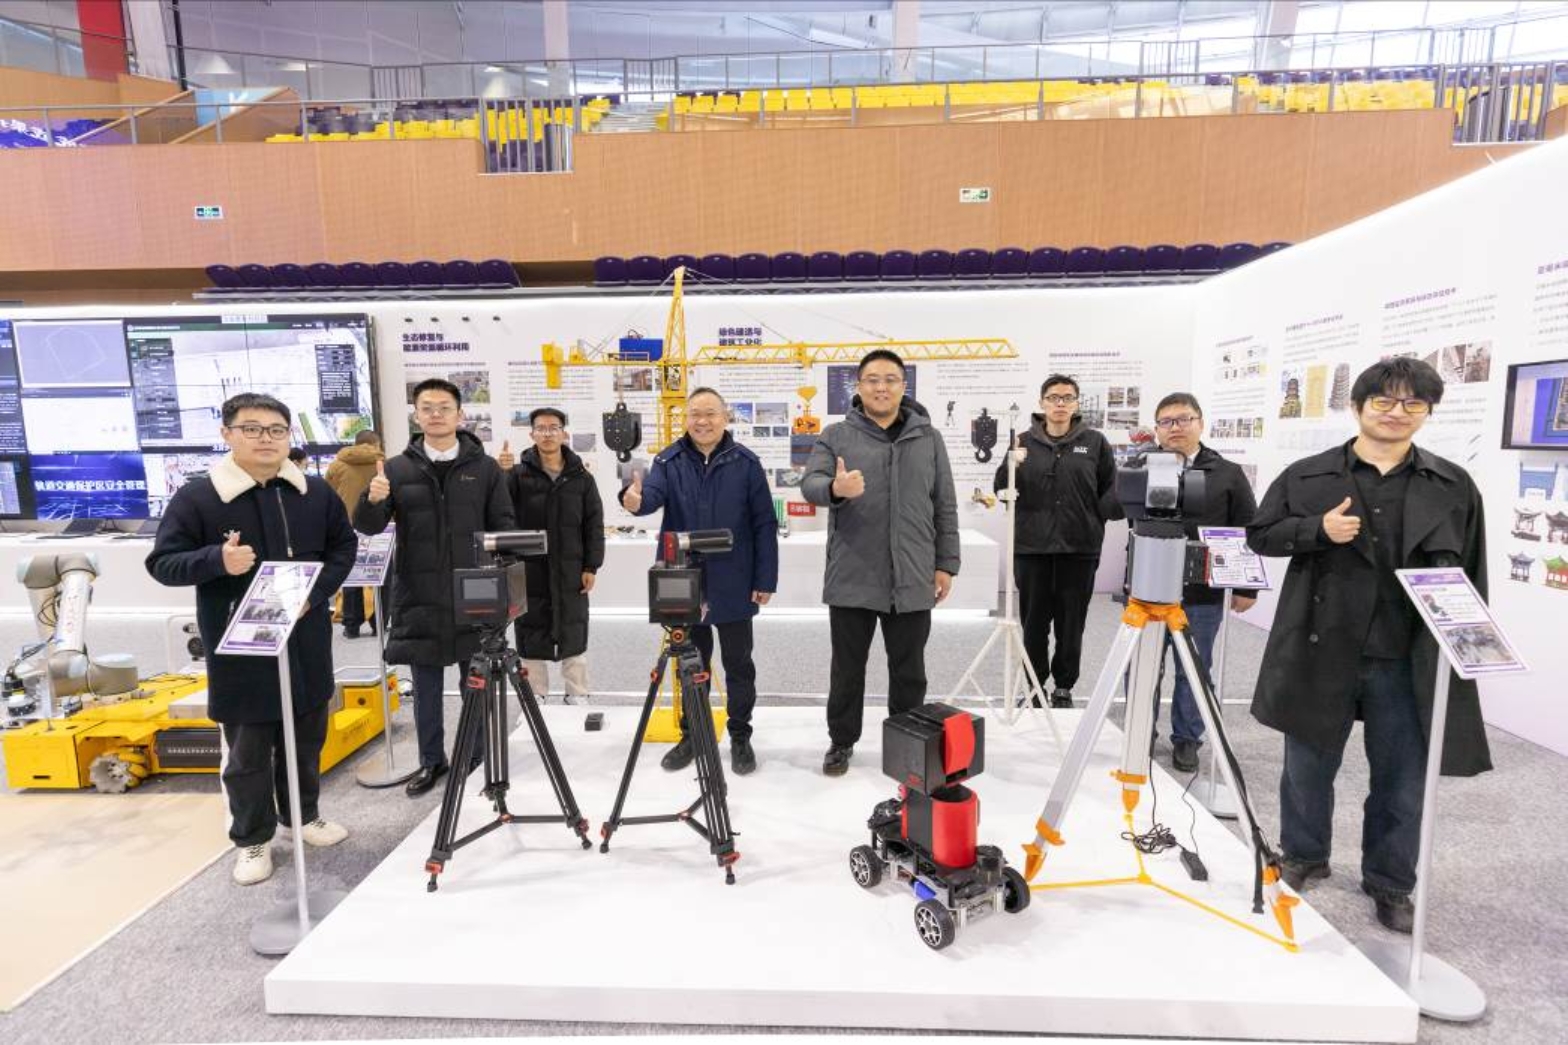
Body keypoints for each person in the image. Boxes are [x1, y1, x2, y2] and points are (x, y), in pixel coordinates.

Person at [1247, 358, 1489, 934]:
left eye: (1413, 403)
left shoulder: (1453, 485)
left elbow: (1472, 572)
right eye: (1384, 401)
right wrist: (1316, 531)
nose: (1397, 413)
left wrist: (1467, 644)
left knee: (1402, 779)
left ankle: (1390, 881)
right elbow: (1260, 535)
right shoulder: (1307, 475)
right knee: (1307, 767)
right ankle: (1304, 853)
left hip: (1406, 654)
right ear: (1357, 406)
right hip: (1322, 643)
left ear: (1427, 412)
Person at [146, 393, 357, 886]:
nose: (266, 438)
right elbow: (162, 563)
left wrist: (315, 595)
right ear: (227, 434)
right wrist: (216, 561)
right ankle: (251, 838)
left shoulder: (313, 492)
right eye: (252, 428)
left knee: (306, 737)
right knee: (248, 751)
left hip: (305, 641)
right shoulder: (199, 498)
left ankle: (302, 816)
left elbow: (343, 548)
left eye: (276, 430)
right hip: (240, 647)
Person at [353, 378, 515, 798]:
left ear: (460, 414)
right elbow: (367, 527)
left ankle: (475, 757)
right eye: (427, 407)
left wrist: (498, 580)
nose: (436, 414)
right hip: (418, 593)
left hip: (474, 594)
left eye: (444, 407)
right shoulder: (395, 469)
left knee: (476, 683)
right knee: (425, 689)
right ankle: (431, 761)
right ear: (416, 415)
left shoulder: (485, 469)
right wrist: (373, 499)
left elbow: (504, 526)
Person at [801, 350, 959, 777]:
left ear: (904, 387)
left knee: (910, 671)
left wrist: (946, 564)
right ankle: (841, 741)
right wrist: (836, 488)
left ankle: (907, 746)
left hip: (913, 574)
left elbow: (944, 504)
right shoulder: (836, 435)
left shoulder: (929, 438)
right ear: (859, 386)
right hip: (853, 573)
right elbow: (810, 484)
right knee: (847, 669)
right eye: (872, 379)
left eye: (891, 379)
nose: (881, 387)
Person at [620, 387, 778, 775]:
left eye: (710, 413)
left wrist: (765, 578)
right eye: (695, 414)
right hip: (683, 579)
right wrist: (633, 499)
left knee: (739, 664)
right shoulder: (668, 460)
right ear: (686, 418)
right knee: (690, 664)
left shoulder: (746, 462)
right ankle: (693, 734)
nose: (702, 421)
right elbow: (650, 497)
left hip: (735, 578)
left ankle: (740, 735)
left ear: (725, 418)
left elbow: (764, 523)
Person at [1143, 393, 1257, 773]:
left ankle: (1188, 738)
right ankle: (1141, 732)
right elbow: (1113, 508)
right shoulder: (1142, 466)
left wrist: (1246, 586)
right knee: (1142, 666)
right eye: (1166, 421)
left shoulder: (1227, 473)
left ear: (1200, 423)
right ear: (1157, 428)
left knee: (1193, 666)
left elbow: (1247, 526)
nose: (1175, 427)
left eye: (1183, 419)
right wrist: (1136, 467)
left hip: (1202, 591)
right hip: (1147, 584)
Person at [994, 374, 1119, 709]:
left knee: (1071, 625)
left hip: (1078, 549)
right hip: (1031, 549)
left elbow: (1110, 489)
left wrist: (1096, 518)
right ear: (1042, 403)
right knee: (1033, 625)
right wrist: (1012, 467)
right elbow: (1001, 489)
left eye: (1067, 397)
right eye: (1053, 397)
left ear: (1076, 403)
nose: (1060, 403)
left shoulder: (1095, 442)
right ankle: (1034, 685)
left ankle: (1063, 686)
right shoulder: (1021, 441)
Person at [496, 409, 604, 706]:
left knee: (574, 628)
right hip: (529, 568)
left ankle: (577, 693)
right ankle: (536, 695)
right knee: (530, 629)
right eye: (541, 428)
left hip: (571, 567)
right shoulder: (517, 475)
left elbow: (593, 524)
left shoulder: (581, 477)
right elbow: (500, 512)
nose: (547, 433)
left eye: (553, 427)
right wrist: (502, 473)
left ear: (563, 433)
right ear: (532, 434)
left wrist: (591, 565)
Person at [325, 430, 384, 638]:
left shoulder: (337, 465)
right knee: (380, 576)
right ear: (376, 443)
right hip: (380, 526)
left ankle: (351, 625)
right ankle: (379, 622)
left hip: (347, 527)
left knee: (351, 576)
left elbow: (328, 495)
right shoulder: (384, 464)